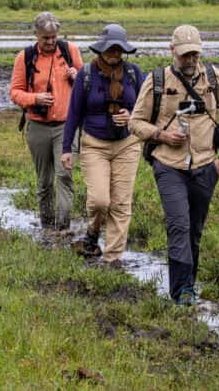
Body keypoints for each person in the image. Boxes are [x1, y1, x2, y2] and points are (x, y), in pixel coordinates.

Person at [129, 25, 219, 306]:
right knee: (178, 223)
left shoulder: (214, 79)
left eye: (194, 54)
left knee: (194, 229)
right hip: (168, 164)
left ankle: (188, 285)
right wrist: (162, 135)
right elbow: (135, 122)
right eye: (184, 55)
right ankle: (181, 292)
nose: (190, 60)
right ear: (172, 51)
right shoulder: (156, 80)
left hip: (205, 166)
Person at [61, 24, 145, 264]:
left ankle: (112, 259)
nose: (115, 54)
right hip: (94, 145)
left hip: (127, 144)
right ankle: (92, 232)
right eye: (111, 49)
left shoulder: (134, 74)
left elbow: (146, 107)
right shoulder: (86, 75)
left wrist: (132, 117)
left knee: (120, 203)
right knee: (100, 201)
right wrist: (67, 148)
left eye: (119, 50)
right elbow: (74, 113)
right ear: (101, 50)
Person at [10, 12, 83, 229]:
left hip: (66, 126)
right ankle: (47, 225)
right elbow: (15, 92)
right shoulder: (25, 57)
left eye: (53, 37)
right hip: (37, 127)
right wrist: (35, 98)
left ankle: (62, 227)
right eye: (45, 38)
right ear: (36, 35)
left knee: (64, 176)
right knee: (44, 181)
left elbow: (86, 83)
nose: (50, 42)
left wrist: (77, 76)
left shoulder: (70, 51)